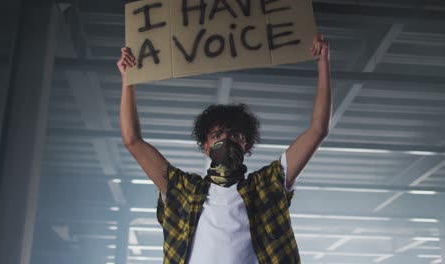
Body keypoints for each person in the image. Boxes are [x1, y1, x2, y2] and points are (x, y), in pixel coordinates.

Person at [118, 33, 331, 264]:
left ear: (246, 144)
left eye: (234, 135)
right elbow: (132, 141)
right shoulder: (183, 190)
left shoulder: (267, 186)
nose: (226, 140)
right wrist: (128, 80)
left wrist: (323, 63)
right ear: (206, 146)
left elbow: (317, 130)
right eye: (217, 135)